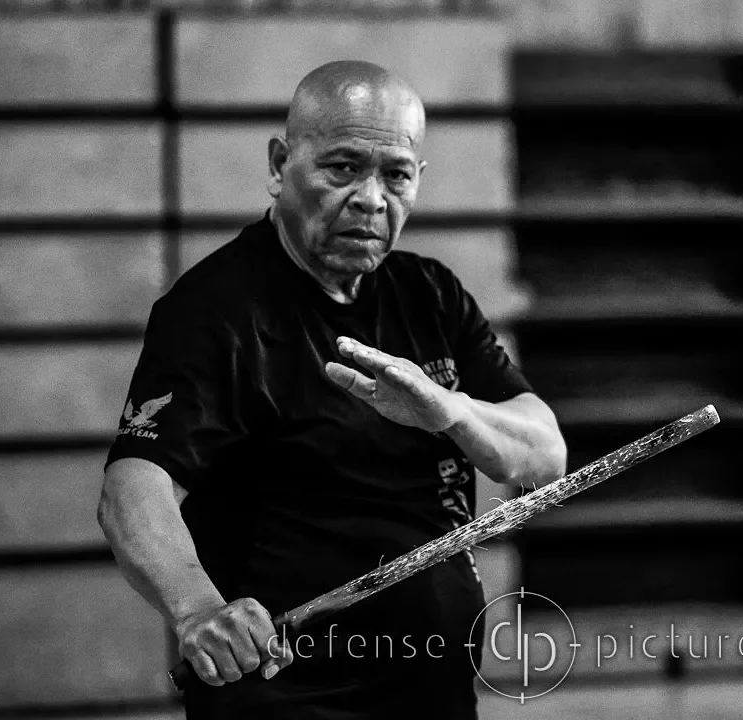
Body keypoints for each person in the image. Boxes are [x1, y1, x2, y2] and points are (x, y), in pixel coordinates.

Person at [96, 61, 568, 720]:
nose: (372, 198)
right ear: (279, 163)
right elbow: (132, 486)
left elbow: (544, 453)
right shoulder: (216, 311)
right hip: (288, 693)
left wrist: (449, 412)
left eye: (396, 174)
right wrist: (198, 608)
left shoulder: (429, 294)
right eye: (342, 168)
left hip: (431, 682)